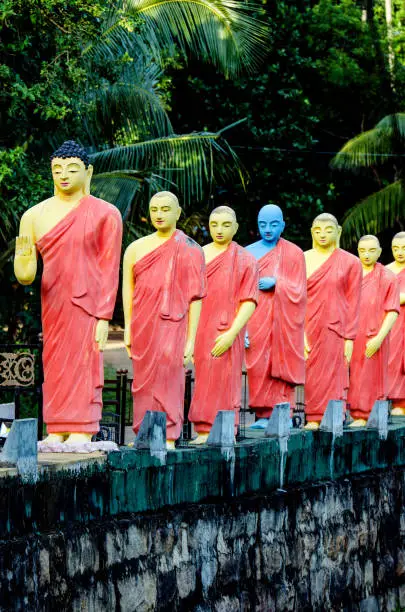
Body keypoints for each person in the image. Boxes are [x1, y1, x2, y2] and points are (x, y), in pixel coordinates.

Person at [14, 140, 123, 443]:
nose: (63, 175)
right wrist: (22, 260)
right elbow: (26, 276)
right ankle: (57, 426)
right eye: (57, 169)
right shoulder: (34, 216)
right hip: (55, 300)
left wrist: (104, 316)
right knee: (56, 362)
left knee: (84, 363)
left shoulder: (106, 214)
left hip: (88, 303)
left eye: (72, 169)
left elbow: (109, 268)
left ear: (88, 172)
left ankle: (83, 427)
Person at [123, 191, 206, 450]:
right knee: (143, 380)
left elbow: (196, 297)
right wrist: (128, 326)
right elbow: (128, 288)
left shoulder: (191, 249)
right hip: (142, 323)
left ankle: (169, 433)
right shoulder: (135, 248)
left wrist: (191, 339)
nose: (160, 214)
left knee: (170, 376)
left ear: (178, 213)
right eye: (155, 209)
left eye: (166, 209)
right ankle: (144, 431)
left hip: (173, 322)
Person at [188, 206, 258, 444]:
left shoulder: (245, 259)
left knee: (225, 379)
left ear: (236, 227)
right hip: (200, 328)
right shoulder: (198, 254)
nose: (219, 230)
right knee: (203, 379)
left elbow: (249, 301)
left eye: (226, 225)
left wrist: (232, 333)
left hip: (227, 329)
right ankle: (203, 427)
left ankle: (226, 425)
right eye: (214, 224)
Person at [245, 204, 306, 429]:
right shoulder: (248, 252)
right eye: (262, 224)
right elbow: (240, 290)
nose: (267, 229)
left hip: (283, 319)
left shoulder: (294, 253)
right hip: (255, 315)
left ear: (282, 225)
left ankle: (284, 413)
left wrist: (278, 283)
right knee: (258, 364)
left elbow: (300, 289)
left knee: (279, 362)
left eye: (273, 224)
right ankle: (262, 414)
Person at [304, 213, 362, 429]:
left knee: (333, 372)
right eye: (317, 230)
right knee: (312, 372)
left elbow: (353, 302)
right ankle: (313, 414)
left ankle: (333, 413)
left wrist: (349, 337)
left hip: (335, 326)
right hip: (308, 324)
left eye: (328, 230)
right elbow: (297, 298)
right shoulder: (303, 258)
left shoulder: (350, 262)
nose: (322, 235)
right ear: (311, 232)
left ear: (338, 232)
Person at [347, 236, 399, 426]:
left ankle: (366, 413)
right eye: (362, 251)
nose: (366, 255)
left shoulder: (387, 277)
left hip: (374, 335)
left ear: (379, 252)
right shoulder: (352, 274)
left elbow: (392, 311)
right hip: (353, 334)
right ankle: (354, 411)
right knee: (353, 374)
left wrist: (379, 337)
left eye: (371, 251)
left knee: (370, 374)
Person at [387, 232, 405, 415]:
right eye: (396, 248)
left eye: (404, 248)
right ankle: (392, 398)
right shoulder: (387, 270)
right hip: (390, 323)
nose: (400, 252)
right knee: (391, 360)